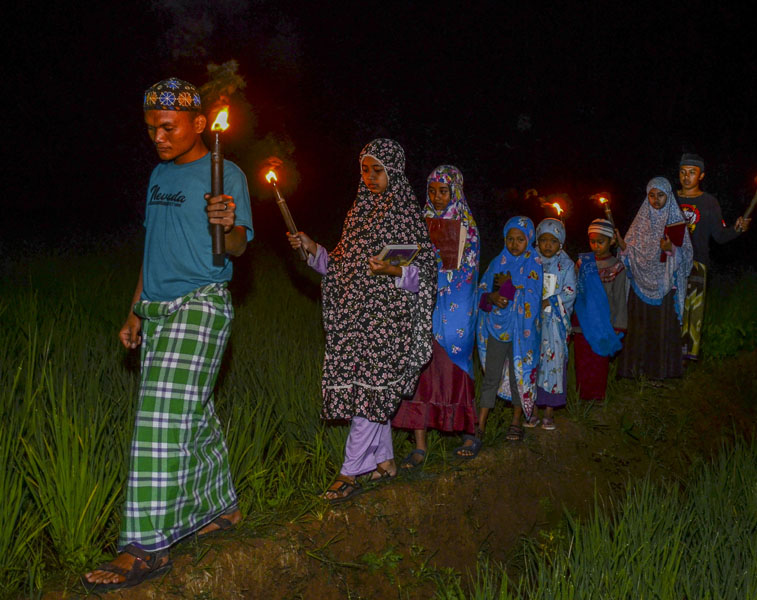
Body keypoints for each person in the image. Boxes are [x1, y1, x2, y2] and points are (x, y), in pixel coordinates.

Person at [83, 78, 254, 591]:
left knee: (158, 417)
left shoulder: (227, 174)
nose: (157, 136)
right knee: (188, 412)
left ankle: (145, 545)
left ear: (199, 124)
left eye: (167, 126)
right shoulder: (158, 175)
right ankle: (221, 508)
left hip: (201, 303)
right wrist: (136, 308)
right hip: (157, 309)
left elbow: (240, 246)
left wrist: (226, 224)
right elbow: (152, 247)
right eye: (150, 127)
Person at [287, 138, 436, 501]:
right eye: (365, 170)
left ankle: (350, 472)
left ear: (394, 172)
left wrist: (393, 270)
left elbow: (427, 272)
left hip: (389, 320)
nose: (370, 177)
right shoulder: (358, 213)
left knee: (371, 390)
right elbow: (341, 267)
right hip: (356, 320)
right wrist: (313, 250)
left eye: (378, 170)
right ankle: (384, 462)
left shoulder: (405, 214)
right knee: (368, 392)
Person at [391, 165, 480, 465]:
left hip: (455, 311)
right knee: (422, 372)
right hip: (423, 309)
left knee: (453, 369)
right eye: (432, 190)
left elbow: (468, 272)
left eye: (443, 191)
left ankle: (469, 430)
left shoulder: (467, 226)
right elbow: (404, 259)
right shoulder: (419, 223)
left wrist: (440, 279)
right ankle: (420, 444)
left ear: (455, 190)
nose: (437, 197)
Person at [475, 216, 543, 444]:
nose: (514, 244)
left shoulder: (533, 262)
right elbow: (482, 290)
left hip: (521, 332)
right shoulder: (498, 262)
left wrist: (515, 293)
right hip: (497, 327)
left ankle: (516, 420)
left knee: (517, 376)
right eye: (510, 239)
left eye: (520, 239)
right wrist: (492, 297)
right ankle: (480, 424)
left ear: (529, 240)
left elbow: (534, 295)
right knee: (491, 376)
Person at [677, 153, 751, 361]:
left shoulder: (709, 202)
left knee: (692, 312)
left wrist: (737, 229)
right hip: (670, 264)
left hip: (697, 263)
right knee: (672, 309)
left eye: (692, 173)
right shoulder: (670, 199)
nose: (686, 177)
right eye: (683, 172)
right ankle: (666, 355)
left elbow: (719, 236)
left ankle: (686, 358)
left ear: (701, 176)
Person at [617, 177, 693, 379]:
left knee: (662, 329)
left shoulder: (675, 222)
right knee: (640, 328)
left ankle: (661, 373)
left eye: (660, 195)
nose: (656, 200)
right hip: (640, 284)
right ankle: (635, 371)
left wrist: (672, 250)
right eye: (652, 195)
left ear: (668, 196)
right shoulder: (640, 222)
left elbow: (686, 256)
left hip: (665, 286)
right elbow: (628, 251)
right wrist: (622, 247)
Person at [572, 219, 628, 402]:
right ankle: (582, 396)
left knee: (599, 361)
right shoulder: (583, 263)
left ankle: (597, 397)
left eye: (600, 242)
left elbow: (620, 298)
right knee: (583, 360)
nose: (595, 246)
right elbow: (574, 291)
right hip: (583, 322)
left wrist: (619, 325)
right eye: (592, 241)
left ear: (612, 241)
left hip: (605, 323)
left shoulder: (617, 267)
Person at [531, 218, 576, 430]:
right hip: (532, 322)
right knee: (532, 362)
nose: (548, 245)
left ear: (561, 243)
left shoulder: (565, 265)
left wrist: (550, 300)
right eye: (543, 240)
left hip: (554, 324)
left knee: (553, 364)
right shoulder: (531, 260)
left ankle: (549, 411)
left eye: (553, 241)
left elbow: (569, 291)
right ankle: (530, 408)